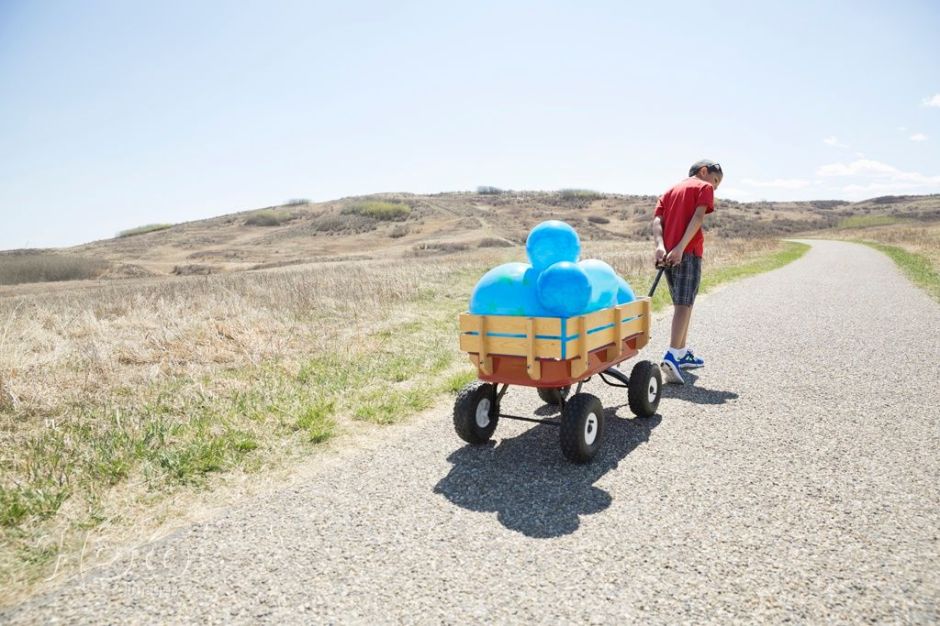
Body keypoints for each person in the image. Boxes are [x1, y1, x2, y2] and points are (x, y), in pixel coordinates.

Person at [651, 159, 723, 384]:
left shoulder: (669, 191)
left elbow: (657, 221)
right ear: (704, 172)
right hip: (686, 252)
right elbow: (698, 217)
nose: (715, 186)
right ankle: (672, 354)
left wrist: (660, 247)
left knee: (683, 302)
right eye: (715, 180)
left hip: (667, 255)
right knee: (684, 304)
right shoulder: (703, 187)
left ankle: (681, 352)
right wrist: (681, 248)